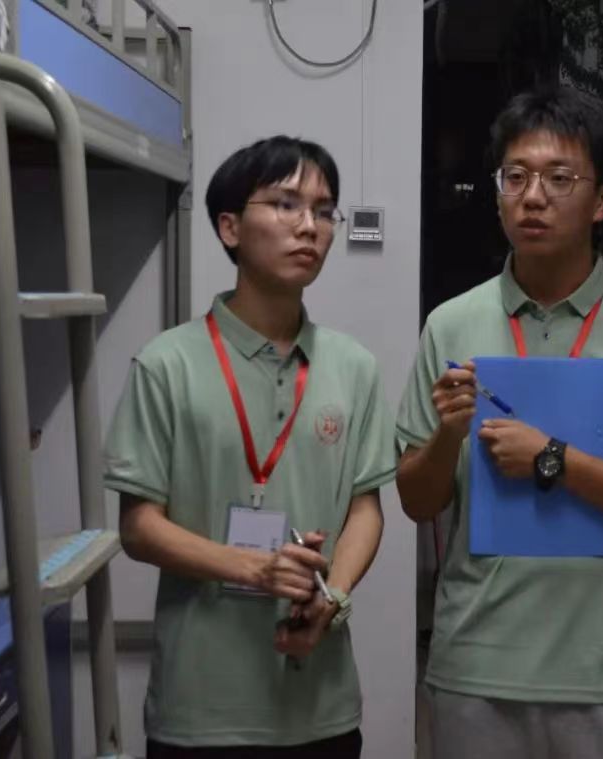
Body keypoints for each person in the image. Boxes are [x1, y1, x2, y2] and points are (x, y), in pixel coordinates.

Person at [396, 85, 603, 759]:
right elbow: (416, 501)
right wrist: (448, 433)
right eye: (515, 177)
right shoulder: (451, 324)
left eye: (559, 178)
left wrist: (555, 460)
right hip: (476, 668)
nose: (533, 197)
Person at [103, 136, 395, 757]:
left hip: (319, 703)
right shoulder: (167, 364)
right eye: (286, 204)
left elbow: (366, 509)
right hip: (197, 708)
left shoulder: (354, 367)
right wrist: (252, 568)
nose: (309, 226)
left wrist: (333, 600)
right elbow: (138, 528)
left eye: (324, 211)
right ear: (230, 227)